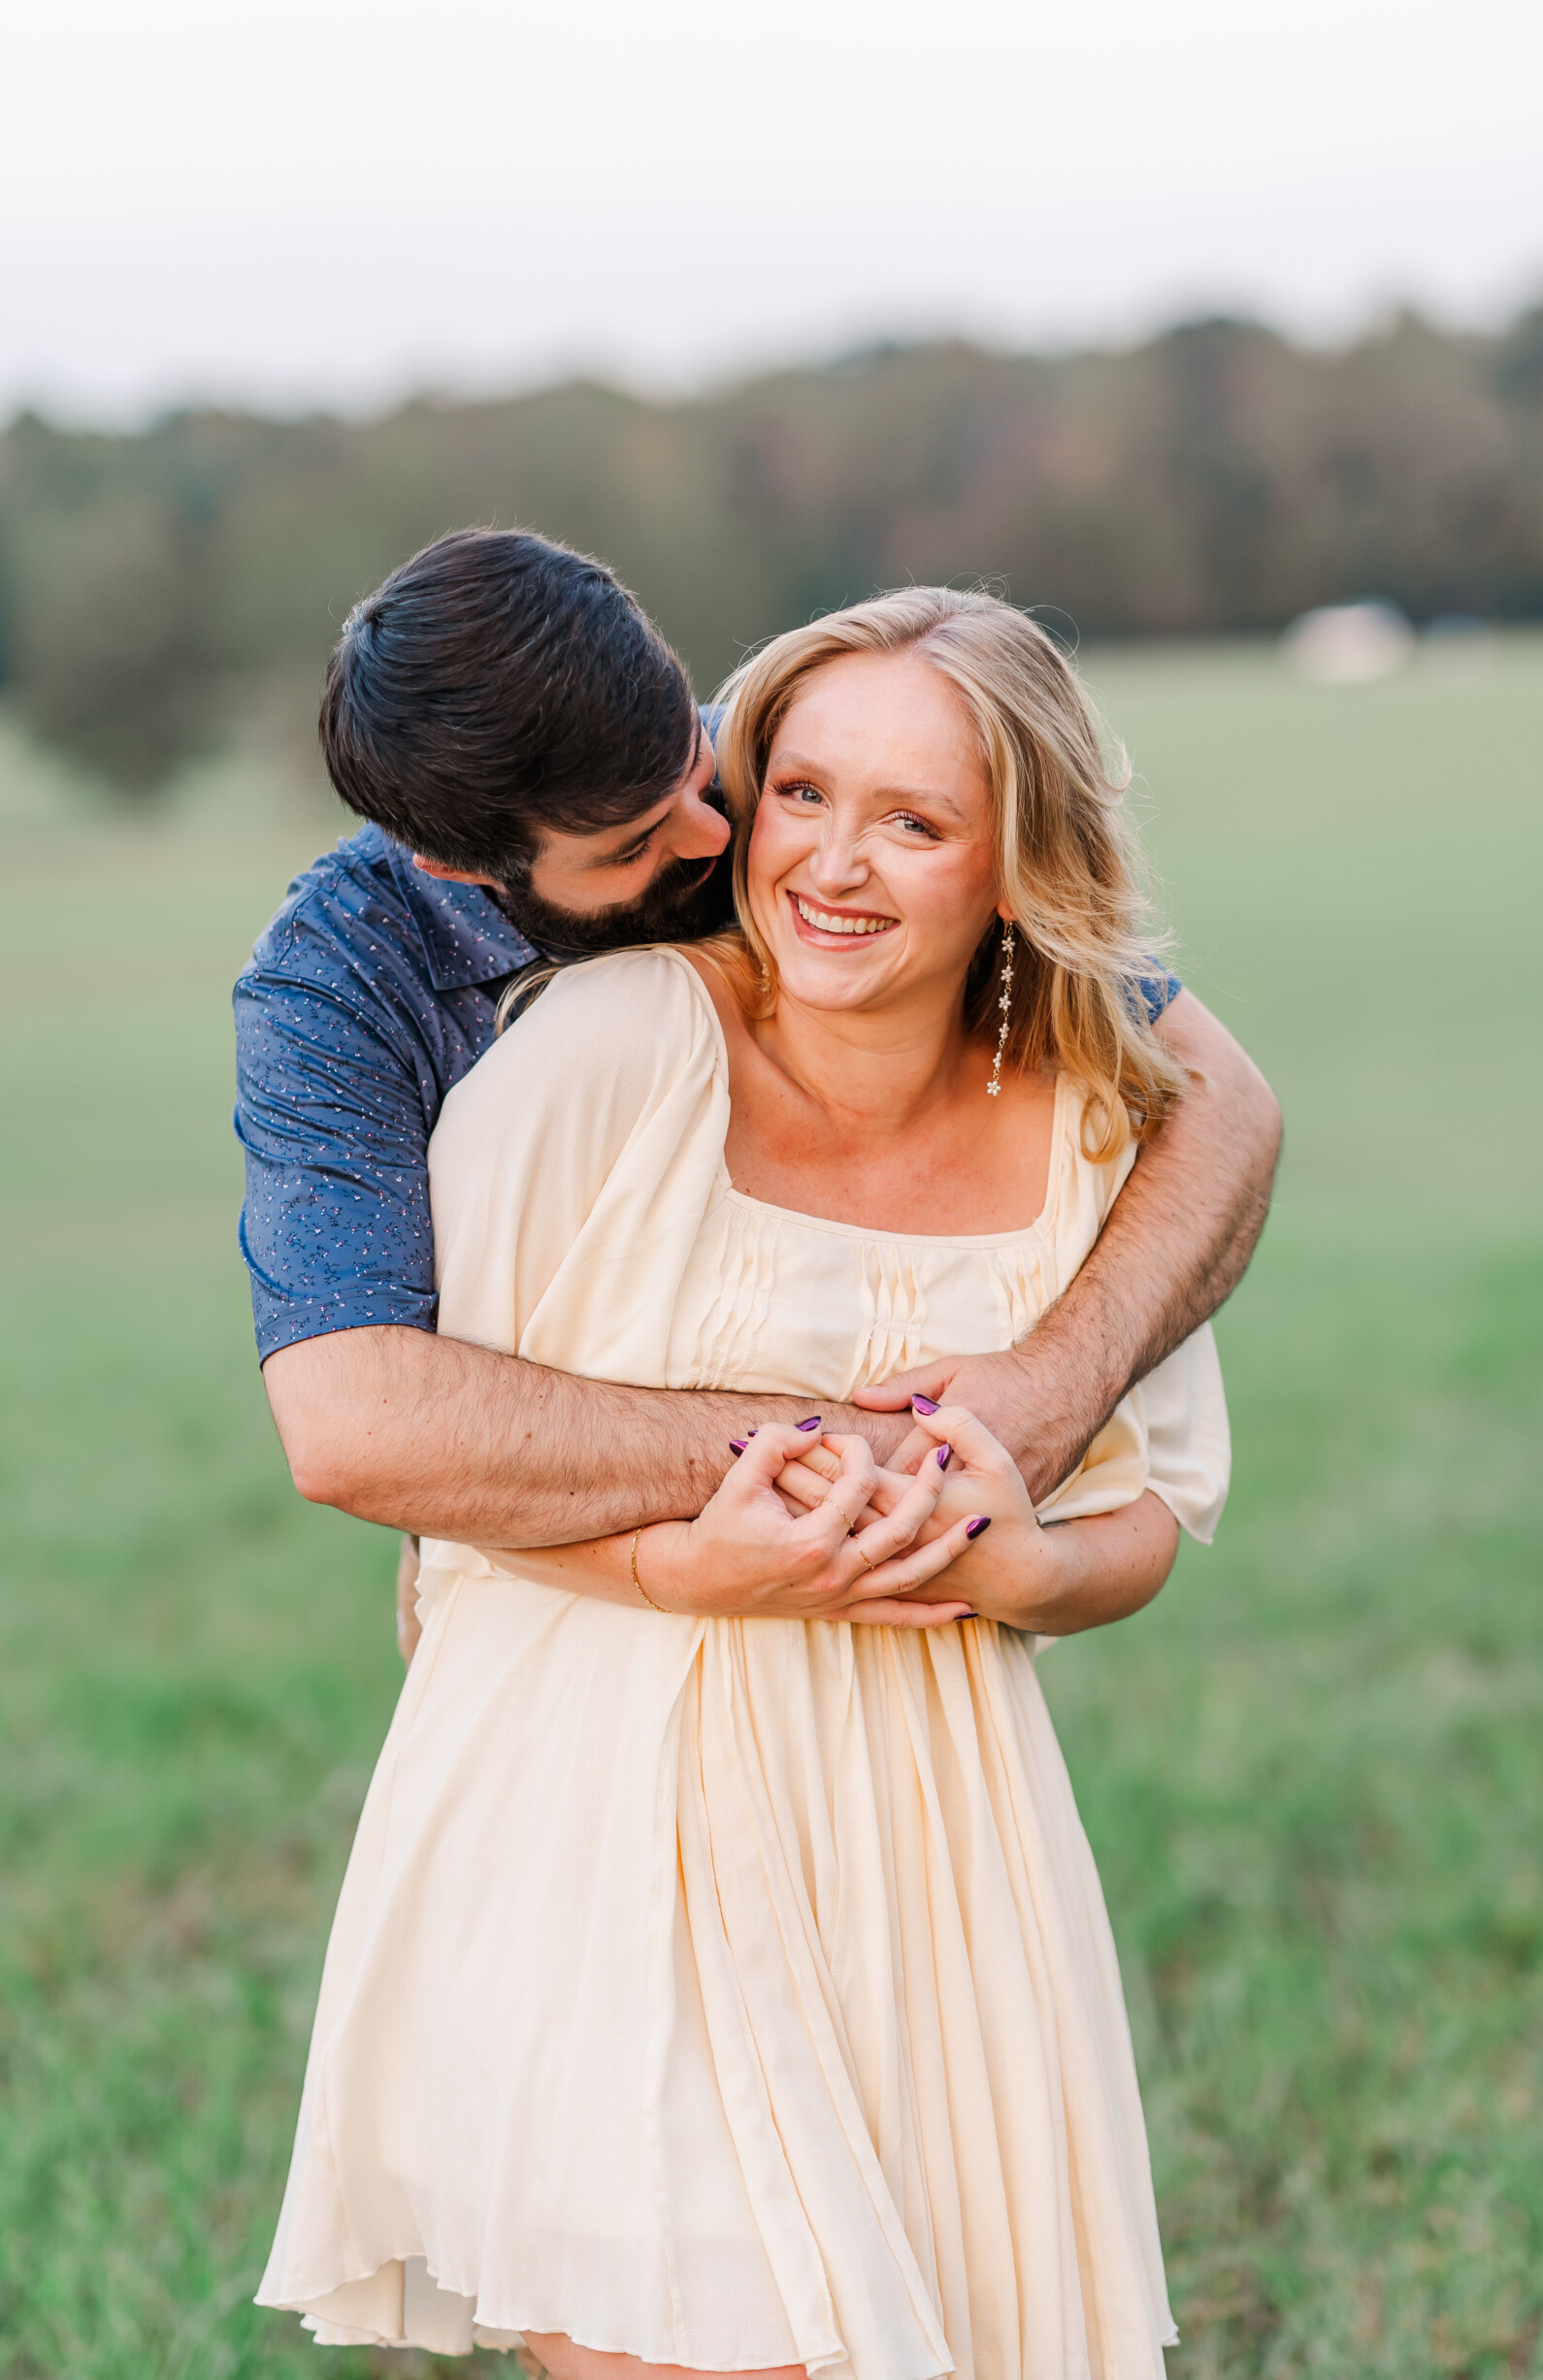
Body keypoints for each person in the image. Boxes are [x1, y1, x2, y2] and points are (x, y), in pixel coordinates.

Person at [256, 588, 1240, 2374]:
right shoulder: (522, 1031)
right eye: (713, 818)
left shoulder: (1058, 1072)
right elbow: (380, 1436)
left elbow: (1205, 1181)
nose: (743, 842)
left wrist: (1021, 1483)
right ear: (485, 875)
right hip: (605, 1797)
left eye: (727, 776)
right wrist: (777, 1501)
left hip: (932, 1842)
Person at [235, 533, 1279, 1631]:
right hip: (531, 1603)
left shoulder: (800, 785)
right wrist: (873, 1456)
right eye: (639, 837)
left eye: (696, 760)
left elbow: (1224, 1099)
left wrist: (1056, 1388)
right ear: (462, 869)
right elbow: (353, 1422)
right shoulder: (339, 976)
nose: (714, 830)